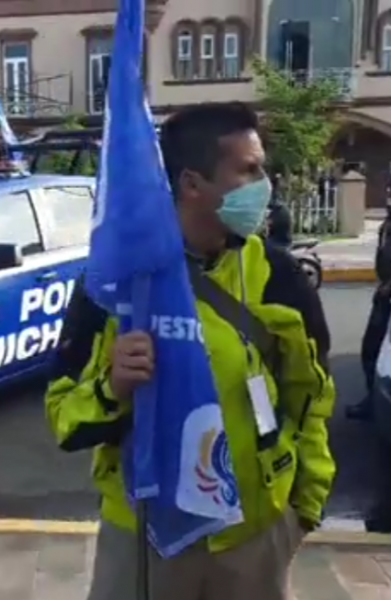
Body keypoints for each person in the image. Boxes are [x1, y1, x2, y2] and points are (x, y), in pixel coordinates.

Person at [45, 103, 335, 600]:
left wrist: (303, 509)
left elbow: (311, 398)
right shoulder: (118, 286)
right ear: (192, 183)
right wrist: (112, 388)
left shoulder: (281, 279)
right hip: (145, 538)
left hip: (254, 538)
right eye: (249, 169)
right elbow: (63, 415)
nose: (265, 184)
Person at [347, 196, 391, 420]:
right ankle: (372, 401)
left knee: (376, 353)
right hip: (383, 295)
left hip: (387, 295)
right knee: (371, 351)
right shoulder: (387, 223)